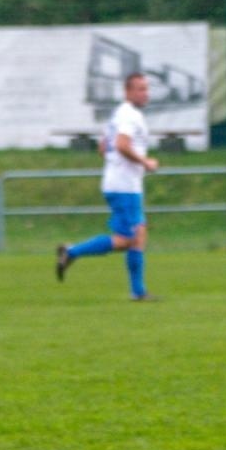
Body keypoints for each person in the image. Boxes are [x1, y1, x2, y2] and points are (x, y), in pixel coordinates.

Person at [55, 72, 158, 301]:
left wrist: (117, 165)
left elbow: (103, 147)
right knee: (129, 238)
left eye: (146, 88)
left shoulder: (118, 114)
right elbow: (121, 145)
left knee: (137, 234)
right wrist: (145, 162)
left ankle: (138, 291)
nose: (145, 93)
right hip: (124, 186)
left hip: (120, 182)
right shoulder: (130, 116)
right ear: (128, 92)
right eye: (140, 89)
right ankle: (72, 252)